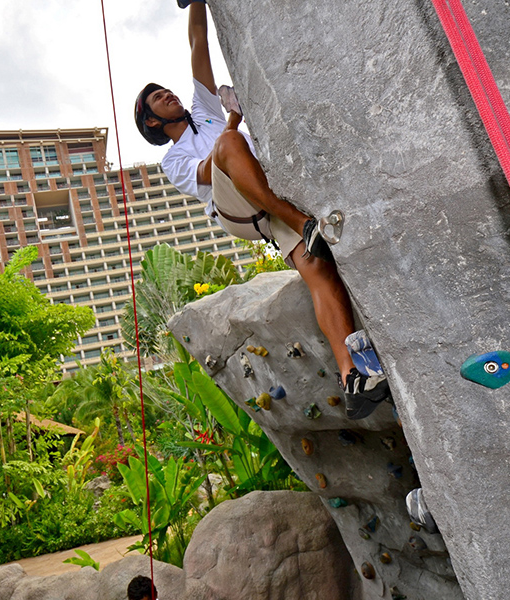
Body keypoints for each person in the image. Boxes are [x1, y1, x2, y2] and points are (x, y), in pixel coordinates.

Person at [134, 0, 389, 419]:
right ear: (152, 123)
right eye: (157, 99)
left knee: (318, 273)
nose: (168, 94)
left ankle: (353, 376)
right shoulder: (173, 159)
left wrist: (196, 2)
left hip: (270, 194)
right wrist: (233, 120)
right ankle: (303, 223)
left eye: (166, 89)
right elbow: (212, 169)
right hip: (240, 208)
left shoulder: (205, 113)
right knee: (229, 145)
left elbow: (199, 42)